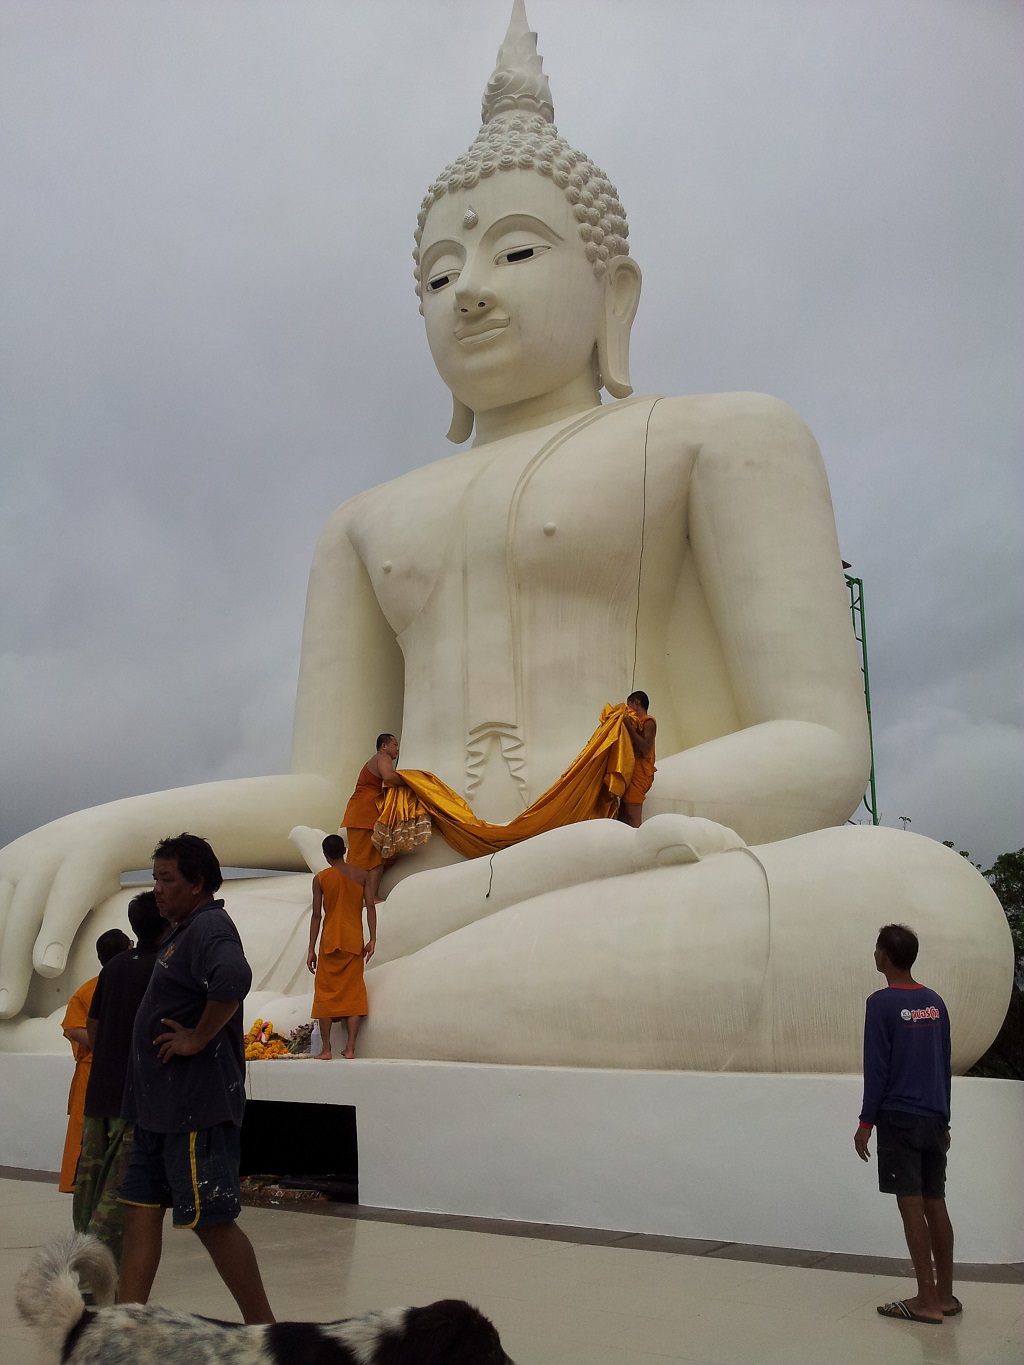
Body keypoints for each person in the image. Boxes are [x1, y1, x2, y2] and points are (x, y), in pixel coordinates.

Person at [0, 3, 1012, 1074]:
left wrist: (566, 849)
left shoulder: (720, 435)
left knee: (929, 912)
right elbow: (323, 794)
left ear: (615, 292)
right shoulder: (362, 521)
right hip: (394, 897)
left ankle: (296, 1018)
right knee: (97, 924)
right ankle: (346, 1008)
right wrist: (118, 831)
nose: (469, 292)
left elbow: (818, 746)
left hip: (625, 867)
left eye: (516, 251)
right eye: (439, 275)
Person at [117, 833, 273, 1324]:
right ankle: (123, 1329)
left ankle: (265, 1331)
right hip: (158, 1112)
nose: (157, 889)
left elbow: (233, 978)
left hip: (193, 1111)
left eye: (167, 879)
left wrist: (197, 1038)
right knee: (140, 1213)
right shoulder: (179, 932)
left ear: (197, 882)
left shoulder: (209, 926)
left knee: (212, 1221)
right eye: (155, 879)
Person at [855, 924, 958, 1325]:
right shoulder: (935, 1002)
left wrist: (866, 1122)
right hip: (933, 1118)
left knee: (911, 1206)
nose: (874, 954)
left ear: (884, 956)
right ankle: (944, 1296)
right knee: (936, 1203)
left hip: (899, 1119)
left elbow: (877, 1068)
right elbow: (943, 1064)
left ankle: (926, 1301)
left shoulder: (880, 1003)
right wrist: (944, 1118)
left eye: (876, 949)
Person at [72, 892, 164, 1266]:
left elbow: (91, 1026)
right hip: (134, 1096)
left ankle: (81, 1255)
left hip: (100, 1091)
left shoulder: (112, 970)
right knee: (119, 1190)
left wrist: (107, 1056)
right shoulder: (166, 967)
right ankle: (96, 1273)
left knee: (89, 1184)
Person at [58, 928, 131, 1193]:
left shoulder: (133, 982)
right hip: (94, 1070)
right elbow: (73, 1028)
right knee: (89, 1134)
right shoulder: (90, 989)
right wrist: (108, 1039)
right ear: (128, 949)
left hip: (125, 1070)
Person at [306, 834, 375, 1059]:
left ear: (325, 855)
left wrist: (311, 949)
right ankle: (351, 1047)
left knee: (326, 993)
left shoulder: (321, 878)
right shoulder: (362, 875)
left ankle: (326, 1049)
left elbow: (317, 916)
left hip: (330, 941)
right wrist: (373, 939)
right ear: (344, 850)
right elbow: (370, 907)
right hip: (354, 941)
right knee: (353, 992)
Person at [341, 734, 403, 904]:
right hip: (364, 814)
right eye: (395, 744)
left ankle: (359, 896)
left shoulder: (376, 760)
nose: (398, 749)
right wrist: (412, 781)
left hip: (360, 814)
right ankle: (369, 896)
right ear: (384, 746)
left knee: (365, 858)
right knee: (371, 858)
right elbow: (389, 777)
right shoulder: (382, 757)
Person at [617, 691, 657, 828]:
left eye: (628, 706)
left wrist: (629, 728)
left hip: (640, 773)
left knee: (633, 817)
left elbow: (645, 748)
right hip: (631, 772)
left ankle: (637, 839)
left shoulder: (648, 721)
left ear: (636, 704)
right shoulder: (636, 723)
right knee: (623, 815)